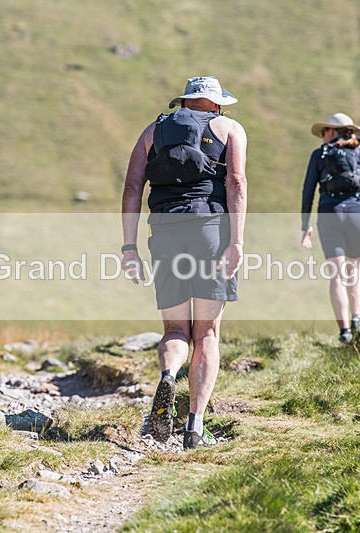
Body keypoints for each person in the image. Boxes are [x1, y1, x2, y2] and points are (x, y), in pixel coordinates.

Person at [120, 76, 247, 449]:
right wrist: (237, 242)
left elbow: (132, 187)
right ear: (215, 103)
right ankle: (194, 425)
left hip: (165, 230)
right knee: (206, 333)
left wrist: (129, 247)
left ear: (186, 102)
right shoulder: (229, 128)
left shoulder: (153, 130)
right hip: (211, 230)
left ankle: (168, 373)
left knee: (175, 330)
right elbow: (236, 182)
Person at [300, 112, 360, 343]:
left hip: (330, 213)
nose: (322, 137)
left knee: (337, 275)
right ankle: (357, 318)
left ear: (331, 132)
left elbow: (308, 190)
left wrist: (305, 225)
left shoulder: (319, 155)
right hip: (359, 214)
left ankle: (345, 331)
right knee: (355, 271)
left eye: (323, 132)